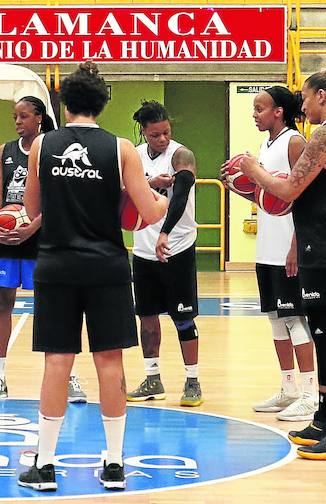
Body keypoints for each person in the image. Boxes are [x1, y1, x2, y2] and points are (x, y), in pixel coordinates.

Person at [17, 62, 168, 492]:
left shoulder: (42, 146)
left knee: (57, 364)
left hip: (57, 266)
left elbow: (31, 211)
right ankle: (115, 464)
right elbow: (150, 213)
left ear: (63, 103)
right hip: (107, 267)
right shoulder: (122, 150)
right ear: (103, 104)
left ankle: (45, 466)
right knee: (110, 362)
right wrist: (157, 194)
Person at [233, 62, 326, 460]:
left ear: (321, 97)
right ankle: (324, 419)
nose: (301, 106)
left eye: (304, 98)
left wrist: (253, 170)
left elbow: (289, 188)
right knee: (323, 327)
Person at [0, 96, 86, 403]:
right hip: (7, 238)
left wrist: (32, 226)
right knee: (2, 306)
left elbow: (57, 197)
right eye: (15, 117)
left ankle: (69, 376)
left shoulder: (53, 149)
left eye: (23, 116)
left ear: (39, 118)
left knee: (55, 308)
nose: (17, 121)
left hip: (43, 237)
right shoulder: (5, 151)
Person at [245, 86, 318, 421]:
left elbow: (304, 198)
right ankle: (288, 388)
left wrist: (295, 246)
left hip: (289, 245)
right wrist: (239, 184)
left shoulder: (294, 142)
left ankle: (310, 393)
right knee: (276, 320)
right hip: (267, 246)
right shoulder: (266, 142)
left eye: (260, 109)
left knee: (295, 319)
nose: (255, 114)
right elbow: (271, 198)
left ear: (278, 112)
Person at [126, 101, 203, 407]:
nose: (162, 139)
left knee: (183, 318)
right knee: (146, 318)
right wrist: (149, 184)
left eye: (166, 132)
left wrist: (165, 232)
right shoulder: (132, 155)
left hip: (177, 245)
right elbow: (124, 190)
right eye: (155, 135)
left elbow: (181, 195)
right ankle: (152, 378)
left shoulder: (181, 155)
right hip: (143, 249)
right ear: (143, 132)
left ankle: (193, 380)